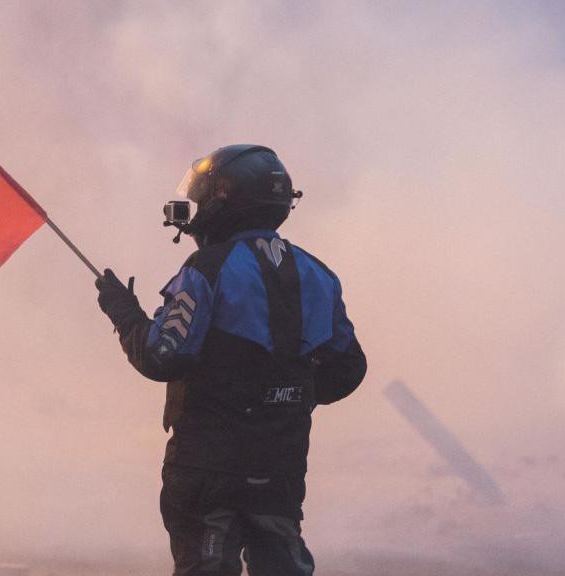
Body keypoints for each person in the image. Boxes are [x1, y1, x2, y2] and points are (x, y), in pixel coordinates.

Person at [95, 145, 367, 576]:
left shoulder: (206, 270)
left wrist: (122, 310)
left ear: (224, 201)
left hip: (208, 473)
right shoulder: (318, 274)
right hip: (280, 471)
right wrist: (283, 396)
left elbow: (161, 356)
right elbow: (349, 368)